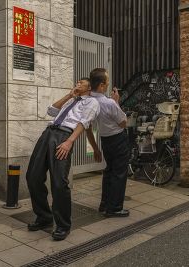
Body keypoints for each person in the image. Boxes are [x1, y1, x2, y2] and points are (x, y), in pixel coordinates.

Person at [26, 78, 100, 241]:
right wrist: (68, 96)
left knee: (59, 182)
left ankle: (63, 225)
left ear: (89, 88)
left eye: (81, 83)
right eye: (77, 82)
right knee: (33, 176)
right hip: (48, 134)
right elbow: (51, 111)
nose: (77, 84)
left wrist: (69, 141)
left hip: (64, 136)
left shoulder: (91, 102)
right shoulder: (71, 100)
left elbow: (84, 122)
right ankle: (44, 217)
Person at [88, 68, 130, 218]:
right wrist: (116, 102)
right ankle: (115, 208)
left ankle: (105, 203)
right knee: (119, 173)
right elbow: (123, 123)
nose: (108, 85)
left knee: (109, 171)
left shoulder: (89, 101)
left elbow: (89, 126)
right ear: (100, 85)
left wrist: (94, 147)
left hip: (105, 140)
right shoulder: (109, 103)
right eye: (106, 82)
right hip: (117, 139)